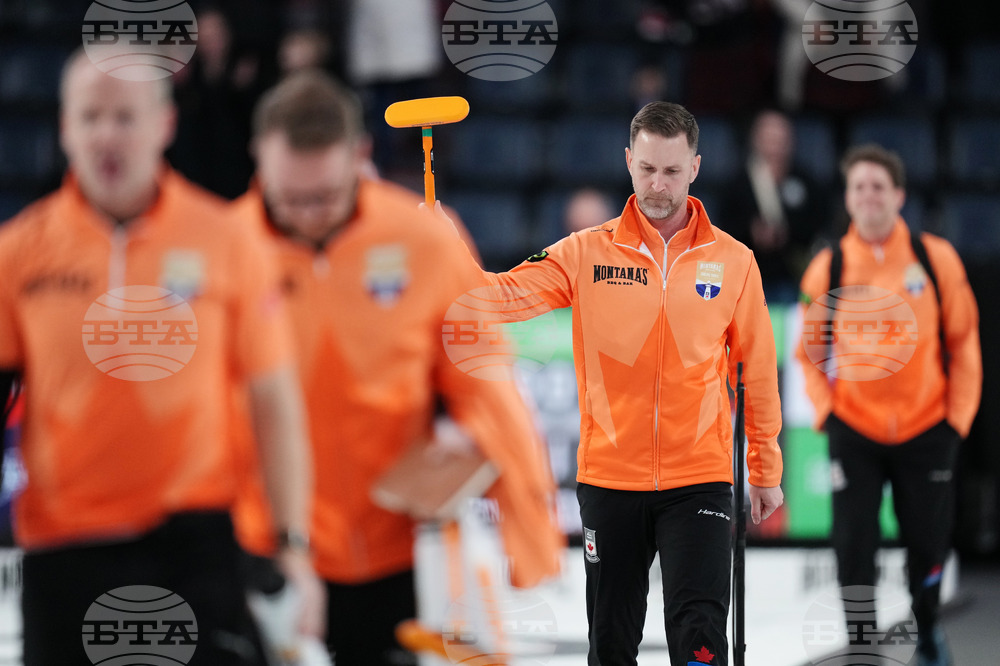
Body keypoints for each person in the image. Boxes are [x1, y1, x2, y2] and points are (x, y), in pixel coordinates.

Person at [229, 70, 564, 666]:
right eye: (289, 199)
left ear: (361, 156)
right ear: (259, 157)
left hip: (394, 552)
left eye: (324, 197)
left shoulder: (426, 241)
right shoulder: (222, 250)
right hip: (264, 546)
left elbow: (486, 388)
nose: (307, 215)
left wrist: (530, 531)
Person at [0, 51, 323, 665]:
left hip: (191, 546)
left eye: (125, 116)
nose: (106, 135)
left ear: (163, 125)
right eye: (90, 117)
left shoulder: (226, 241)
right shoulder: (17, 253)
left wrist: (293, 547)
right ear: (65, 128)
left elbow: (275, 403)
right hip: (61, 550)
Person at [436, 101, 784, 666]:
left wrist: (765, 469)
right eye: (647, 168)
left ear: (695, 167)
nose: (658, 184)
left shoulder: (736, 262)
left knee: (701, 642)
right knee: (612, 645)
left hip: (700, 476)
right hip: (610, 477)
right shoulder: (584, 252)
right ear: (628, 162)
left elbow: (758, 373)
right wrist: (443, 249)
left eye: (672, 171)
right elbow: (493, 297)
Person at [795, 145, 982, 666]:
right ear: (848, 198)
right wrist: (826, 412)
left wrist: (957, 418)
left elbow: (964, 342)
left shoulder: (934, 258)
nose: (869, 195)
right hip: (854, 427)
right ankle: (861, 647)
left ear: (899, 195)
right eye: (859, 186)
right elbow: (807, 355)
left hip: (928, 427)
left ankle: (927, 631)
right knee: (854, 546)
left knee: (929, 543)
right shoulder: (828, 267)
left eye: (879, 186)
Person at [718, 109, 829, 300]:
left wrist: (786, 234)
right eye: (769, 139)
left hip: (793, 276)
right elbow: (723, 230)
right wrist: (752, 231)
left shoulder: (804, 181)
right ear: (755, 140)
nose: (775, 146)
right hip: (747, 276)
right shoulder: (738, 183)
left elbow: (819, 224)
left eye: (780, 139)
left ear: (791, 141)